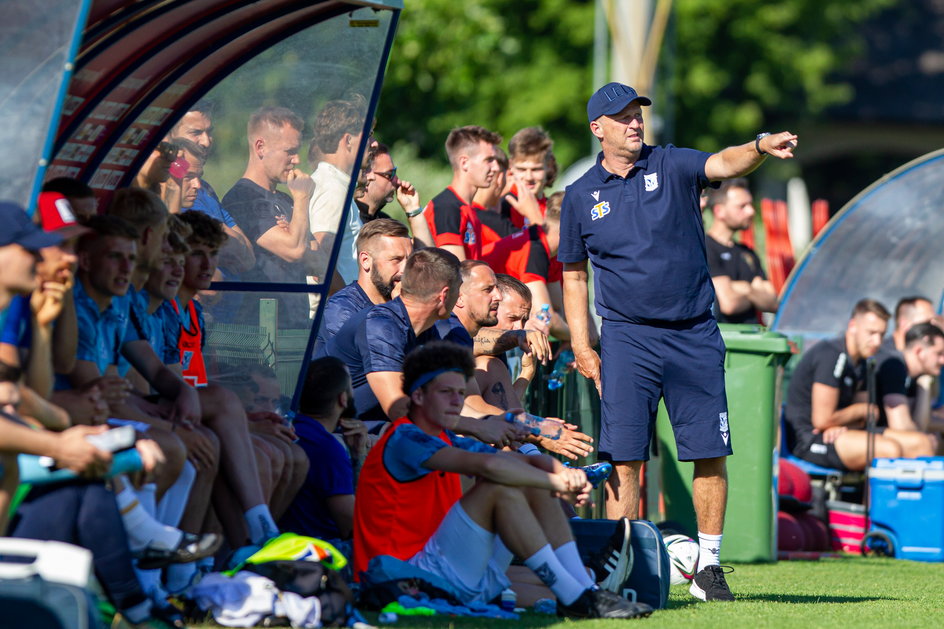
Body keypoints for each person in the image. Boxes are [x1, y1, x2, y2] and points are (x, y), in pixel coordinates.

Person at [560, 81, 798, 601]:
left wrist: (759, 146)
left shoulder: (671, 164)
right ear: (597, 128)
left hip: (693, 333)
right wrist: (583, 345)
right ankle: (617, 567)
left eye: (638, 114)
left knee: (709, 452)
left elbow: (725, 164)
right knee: (625, 458)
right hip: (626, 339)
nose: (635, 123)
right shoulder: (579, 197)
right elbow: (573, 276)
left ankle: (709, 568)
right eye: (622, 117)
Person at [352, 341, 652, 619]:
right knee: (499, 487)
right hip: (401, 576)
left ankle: (586, 588)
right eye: (447, 393)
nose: (457, 402)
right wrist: (558, 483)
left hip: (441, 567)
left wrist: (564, 473)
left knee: (525, 482)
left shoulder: (442, 436)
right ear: (417, 396)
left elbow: (521, 460)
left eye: (461, 393)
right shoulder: (406, 437)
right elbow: (490, 465)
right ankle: (582, 591)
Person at [325, 248, 526, 446]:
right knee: (471, 457)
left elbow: (455, 406)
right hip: (339, 435)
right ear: (444, 295)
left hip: (384, 430)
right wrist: (478, 427)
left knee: (488, 458)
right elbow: (400, 409)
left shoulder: (430, 330)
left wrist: (512, 425)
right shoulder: (381, 326)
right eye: (458, 289)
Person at [783, 299, 933, 473]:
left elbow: (868, 416)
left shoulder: (863, 362)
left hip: (841, 431)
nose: (877, 341)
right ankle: (877, 500)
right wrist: (859, 410)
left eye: (882, 335)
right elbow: (823, 420)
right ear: (853, 326)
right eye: (871, 333)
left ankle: (920, 499)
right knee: (887, 450)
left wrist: (854, 417)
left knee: (921, 443)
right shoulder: (831, 355)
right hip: (811, 438)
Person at [222, 106, 315, 326]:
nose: (297, 160)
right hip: (261, 330)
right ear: (260, 147)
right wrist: (302, 199)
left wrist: (294, 235)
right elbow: (294, 250)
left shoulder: (286, 199)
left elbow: (317, 259)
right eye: (289, 151)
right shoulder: (242, 198)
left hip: (295, 324)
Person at [280, 356, 365, 541]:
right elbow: (351, 526)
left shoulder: (293, 430)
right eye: (351, 387)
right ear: (343, 399)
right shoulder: (326, 449)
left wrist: (354, 455)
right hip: (320, 551)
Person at [314, 218, 412, 352]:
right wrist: (398, 310)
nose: (406, 269)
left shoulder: (405, 300)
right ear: (365, 260)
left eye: (410, 259)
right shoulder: (342, 310)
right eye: (396, 259)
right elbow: (379, 360)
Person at [485, 191, 570, 339]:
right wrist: (581, 340)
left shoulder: (550, 249)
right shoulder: (535, 248)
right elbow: (545, 317)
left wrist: (568, 338)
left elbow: (556, 309)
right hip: (483, 325)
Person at [308, 96, 368, 290]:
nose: (371, 143)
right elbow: (322, 263)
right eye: (366, 135)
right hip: (335, 313)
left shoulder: (336, 184)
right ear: (348, 140)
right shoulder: (333, 188)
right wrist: (347, 304)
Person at [423, 126, 503, 261]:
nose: (496, 167)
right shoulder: (447, 208)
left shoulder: (465, 207)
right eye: (488, 160)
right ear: (464, 163)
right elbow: (456, 273)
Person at [704, 178, 778, 323]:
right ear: (719, 211)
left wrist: (743, 289)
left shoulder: (748, 253)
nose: (751, 211)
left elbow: (773, 303)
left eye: (750, 204)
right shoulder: (705, 248)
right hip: (725, 341)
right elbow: (729, 304)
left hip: (753, 341)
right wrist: (753, 289)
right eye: (742, 206)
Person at [872, 321, 942, 452]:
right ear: (919, 351)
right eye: (939, 354)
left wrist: (924, 387)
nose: (943, 360)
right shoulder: (894, 365)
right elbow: (901, 427)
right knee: (922, 443)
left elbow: (920, 424)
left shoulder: (915, 377)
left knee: (934, 437)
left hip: (880, 433)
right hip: (858, 432)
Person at [360, 143, 434, 247]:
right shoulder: (349, 219)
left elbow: (427, 259)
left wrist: (413, 210)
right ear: (367, 176)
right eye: (390, 174)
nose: (397, 181)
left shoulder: (384, 221)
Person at [501, 126, 557, 229]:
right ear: (511, 166)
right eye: (521, 169)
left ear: (548, 166)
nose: (528, 177)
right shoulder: (501, 207)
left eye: (536, 169)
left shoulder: (556, 208)